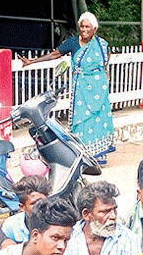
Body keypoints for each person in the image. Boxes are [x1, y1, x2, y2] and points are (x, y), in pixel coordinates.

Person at [23, 12, 115, 162]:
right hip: (81, 88)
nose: (84, 30)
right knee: (82, 119)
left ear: (94, 29)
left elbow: (106, 60)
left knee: (97, 118)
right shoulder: (72, 43)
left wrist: (102, 77)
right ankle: (84, 154)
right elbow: (55, 54)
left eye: (87, 27)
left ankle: (99, 154)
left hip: (98, 88)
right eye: (82, 26)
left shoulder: (101, 44)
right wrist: (32, 62)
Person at [0, 175, 49, 243]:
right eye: (34, 203)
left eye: (43, 202)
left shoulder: (59, 224)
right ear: (22, 207)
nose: (40, 206)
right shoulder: (11, 226)